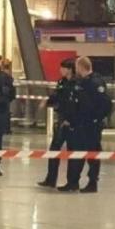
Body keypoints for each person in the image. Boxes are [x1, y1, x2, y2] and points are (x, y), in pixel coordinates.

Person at [60, 56, 111, 194]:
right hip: (79, 125)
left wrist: (96, 119)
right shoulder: (81, 82)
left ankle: (92, 182)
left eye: (77, 67)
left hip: (91, 126)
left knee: (92, 155)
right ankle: (73, 182)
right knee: (77, 154)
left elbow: (104, 105)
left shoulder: (95, 83)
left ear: (81, 67)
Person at [38, 58, 76, 188]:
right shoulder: (62, 82)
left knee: (72, 151)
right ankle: (51, 179)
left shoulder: (76, 84)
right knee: (54, 148)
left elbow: (75, 104)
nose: (60, 70)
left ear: (69, 69)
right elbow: (56, 96)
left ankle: (72, 182)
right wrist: (47, 101)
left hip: (72, 121)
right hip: (61, 118)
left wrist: (70, 119)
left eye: (63, 68)